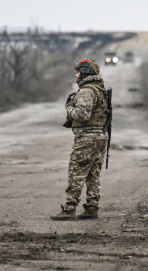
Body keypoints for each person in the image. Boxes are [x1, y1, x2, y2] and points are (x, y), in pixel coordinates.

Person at [51, 58, 108, 221]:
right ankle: (92, 207)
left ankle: (69, 209)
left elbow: (82, 115)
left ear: (85, 73)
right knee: (93, 173)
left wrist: (69, 108)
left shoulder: (87, 91)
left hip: (87, 137)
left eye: (78, 73)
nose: (76, 76)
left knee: (77, 171)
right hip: (100, 136)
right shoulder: (99, 89)